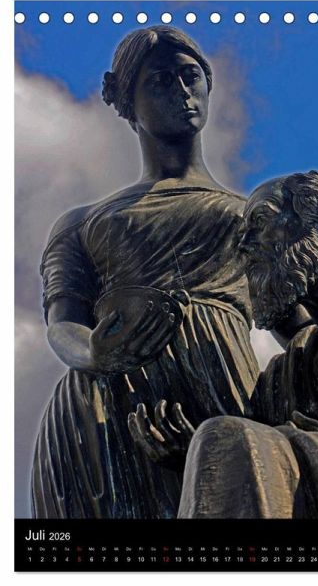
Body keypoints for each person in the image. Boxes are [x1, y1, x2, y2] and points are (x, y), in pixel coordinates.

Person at [31, 26, 259, 519]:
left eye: (190, 76)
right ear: (126, 102)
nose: (181, 91)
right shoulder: (80, 223)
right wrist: (94, 353)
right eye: (159, 81)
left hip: (219, 390)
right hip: (100, 410)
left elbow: (307, 321)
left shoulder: (253, 217)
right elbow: (63, 323)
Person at [171, 171, 318, 519]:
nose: (245, 245)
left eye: (261, 222)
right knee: (222, 437)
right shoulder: (299, 366)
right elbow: (251, 453)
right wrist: (195, 454)